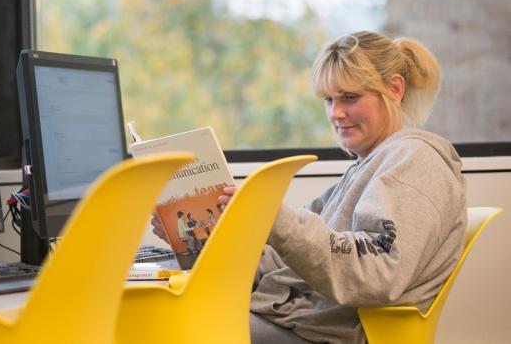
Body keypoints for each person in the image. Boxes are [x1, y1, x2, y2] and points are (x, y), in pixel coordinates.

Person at [151, 31, 466, 343]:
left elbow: (375, 273)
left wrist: (273, 218)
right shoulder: (365, 169)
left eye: (350, 97)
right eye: (329, 99)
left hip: (330, 333)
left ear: (395, 89)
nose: (335, 113)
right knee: (167, 318)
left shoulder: (415, 160)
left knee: (170, 331)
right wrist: (198, 237)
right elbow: (284, 258)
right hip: (301, 318)